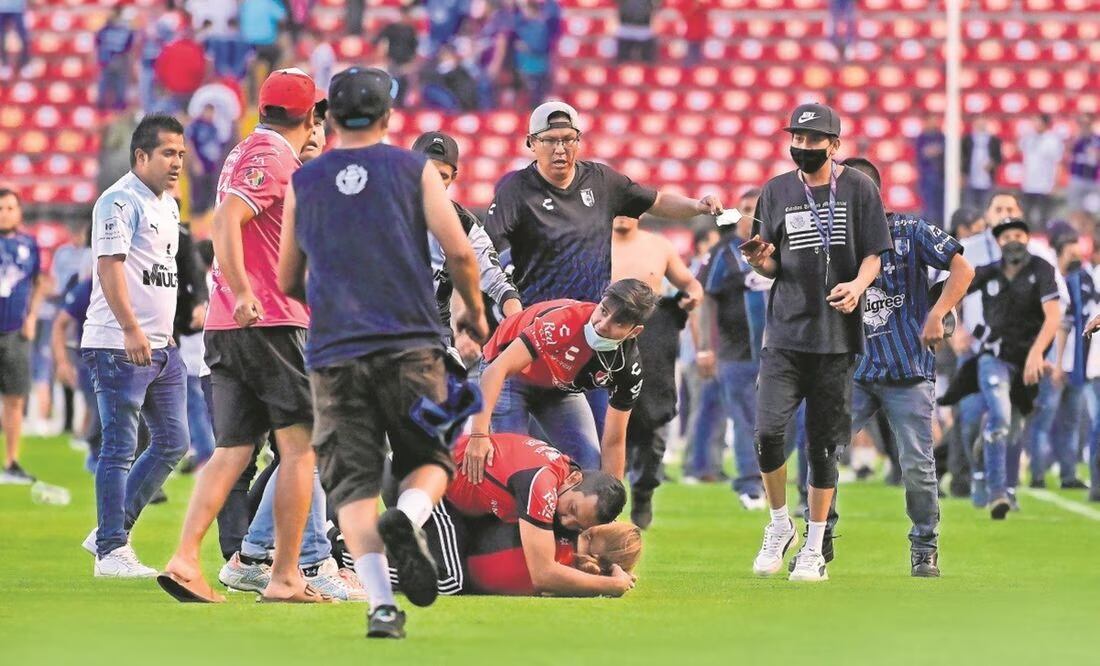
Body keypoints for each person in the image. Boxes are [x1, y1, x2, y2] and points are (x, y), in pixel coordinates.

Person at [278, 66, 488, 638]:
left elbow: (288, 276)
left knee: (352, 485)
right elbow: (461, 253)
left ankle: (381, 607)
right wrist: (472, 306)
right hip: (411, 344)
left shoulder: (306, 180)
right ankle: (411, 517)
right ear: (387, 116)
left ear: (330, 117)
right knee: (430, 459)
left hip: (333, 353)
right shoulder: (414, 170)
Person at [157, 69, 325, 605]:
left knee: (231, 449)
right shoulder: (272, 156)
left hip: (229, 328)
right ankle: (284, 576)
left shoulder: (245, 151)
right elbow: (226, 220)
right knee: (301, 449)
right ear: (308, 115)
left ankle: (185, 560)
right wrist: (245, 288)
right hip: (269, 321)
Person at [740, 103, 891, 582]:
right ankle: (780, 524)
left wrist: (859, 286)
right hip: (784, 332)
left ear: (835, 144)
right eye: (796, 139)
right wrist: (758, 261)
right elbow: (770, 264)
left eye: (812, 140)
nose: (802, 147)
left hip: (836, 338)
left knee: (823, 446)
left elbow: (874, 254)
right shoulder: (776, 190)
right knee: (767, 433)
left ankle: (814, 545)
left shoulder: (860, 189)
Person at [841, 157, 975, 577]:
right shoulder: (834, 242)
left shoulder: (911, 231)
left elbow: (962, 267)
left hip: (908, 369)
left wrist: (938, 314)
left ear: (872, 194)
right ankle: (816, 536)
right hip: (856, 370)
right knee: (822, 451)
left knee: (917, 464)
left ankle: (924, 545)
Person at [78, 114, 190, 576]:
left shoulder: (169, 204)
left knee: (174, 442)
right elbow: (110, 266)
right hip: (119, 343)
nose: (177, 162)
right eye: (168, 153)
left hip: (162, 345)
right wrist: (130, 329)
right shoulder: (119, 201)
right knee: (120, 447)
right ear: (141, 155)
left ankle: (112, 524)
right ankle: (110, 551)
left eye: (181, 154)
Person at [486, 101, 723, 308]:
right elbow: (486, 251)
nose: (560, 149)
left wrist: (696, 206)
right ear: (532, 143)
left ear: (578, 141)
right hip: (538, 316)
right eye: (550, 141)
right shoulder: (515, 191)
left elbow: (657, 201)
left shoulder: (601, 180)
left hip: (593, 319)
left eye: (568, 139)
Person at [468, 279, 657, 477]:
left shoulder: (628, 367)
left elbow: (614, 440)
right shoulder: (564, 322)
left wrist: (610, 501)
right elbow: (497, 370)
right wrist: (478, 435)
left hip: (559, 387)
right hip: (511, 375)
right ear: (600, 301)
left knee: (590, 469)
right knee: (515, 468)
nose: (602, 325)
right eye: (603, 311)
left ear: (633, 332)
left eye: (618, 323)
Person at [445, 433, 633, 596]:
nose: (566, 521)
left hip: (463, 504)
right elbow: (543, 575)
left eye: (578, 526)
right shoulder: (541, 484)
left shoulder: (564, 474)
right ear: (575, 479)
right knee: (451, 580)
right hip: (436, 485)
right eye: (572, 509)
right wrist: (612, 585)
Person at [964, 217, 1063, 519]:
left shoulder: (1042, 269)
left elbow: (1053, 317)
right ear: (998, 242)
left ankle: (1007, 483)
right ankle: (997, 495)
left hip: (1028, 362)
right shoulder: (987, 272)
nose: (1013, 240)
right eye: (1007, 236)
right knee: (1001, 418)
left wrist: (1037, 353)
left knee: (1016, 427)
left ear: (1028, 238)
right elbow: (955, 288)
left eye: (1019, 234)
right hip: (993, 357)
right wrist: (949, 322)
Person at [610, 214, 702, 527]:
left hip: (652, 338)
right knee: (604, 424)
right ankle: (605, 497)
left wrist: (692, 295)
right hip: (601, 337)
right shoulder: (591, 240)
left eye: (630, 208)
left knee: (652, 423)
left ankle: (644, 490)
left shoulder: (658, 246)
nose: (622, 214)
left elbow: (689, 283)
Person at [694, 188, 772, 511]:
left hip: (781, 351)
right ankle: (750, 484)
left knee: (784, 421)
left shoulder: (780, 247)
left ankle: (774, 479)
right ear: (737, 212)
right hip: (736, 352)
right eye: (746, 208)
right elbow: (704, 298)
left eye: (758, 207)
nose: (752, 213)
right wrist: (704, 347)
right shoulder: (724, 253)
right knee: (744, 418)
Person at [411, 131, 521, 351]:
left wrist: (519, 327)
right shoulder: (380, 210)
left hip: (432, 337)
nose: (432, 182)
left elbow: (499, 284)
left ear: (453, 178)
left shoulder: (465, 225)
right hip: (377, 330)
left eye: (441, 176)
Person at [1037, 235, 1092, 490]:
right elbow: (1060, 325)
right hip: (1055, 364)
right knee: (1044, 422)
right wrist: (1056, 363)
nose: (1076, 257)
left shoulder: (1081, 282)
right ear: (1059, 254)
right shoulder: (1054, 284)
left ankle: (1068, 475)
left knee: (1071, 423)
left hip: (1077, 364)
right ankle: (1037, 476)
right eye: (1071, 252)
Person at [0, 188, 45, 484]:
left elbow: (39, 281)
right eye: (1, 208)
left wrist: (31, 316)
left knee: (15, 398)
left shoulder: (29, 244)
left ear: (19, 212)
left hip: (15, 331)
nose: (5, 213)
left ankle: (12, 461)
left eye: (10, 208)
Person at [464, 520, 640, 596]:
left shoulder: (556, 535)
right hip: (468, 574)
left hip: (464, 562)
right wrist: (615, 580)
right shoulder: (577, 579)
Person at [1019, 114, 1064, 232]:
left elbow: (1058, 163)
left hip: (1045, 185)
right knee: (1026, 215)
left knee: (1043, 217)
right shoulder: (1028, 138)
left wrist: (1055, 183)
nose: (1035, 125)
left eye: (1037, 122)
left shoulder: (1053, 140)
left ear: (1045, 123)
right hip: (1028, 184)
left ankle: (1043, 240)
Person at [512, 0, 561, 105]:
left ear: (531, 10)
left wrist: (526, 47)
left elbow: (542, 47)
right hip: (527, 67)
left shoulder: (542, 26)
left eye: (525, 10)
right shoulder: (525, 25)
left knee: (537, 98)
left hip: (538, 67)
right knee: (529, 97)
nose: (523, 13)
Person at [185, 104, 227, 217]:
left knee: (211, 193)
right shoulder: (196, 126)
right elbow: (190, 144)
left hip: (211, 166)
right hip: (200, 164)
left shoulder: (213, 127)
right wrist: (195, 162)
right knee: (199, 194)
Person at [374, 3, 419, 106]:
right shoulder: (391, 28)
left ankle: (401, 105)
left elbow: (414, 47)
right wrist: (383, 54)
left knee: (404, 84)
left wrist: (411, 63)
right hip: (392, 61)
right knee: (393, 83)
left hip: (405, 63)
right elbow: (380, 41)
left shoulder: (411, 30)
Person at [95, 8, 135, 111]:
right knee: (117, 82)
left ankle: (104, 103)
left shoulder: (104, 30)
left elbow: (98, 42)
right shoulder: (125, 30)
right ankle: (116, 103)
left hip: (110, 58)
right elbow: (129, 46)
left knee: (110, 82)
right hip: (117, 58)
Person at [961, 117, 1003, 212]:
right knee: (970, 206)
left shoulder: (993, 140)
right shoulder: (967, 140)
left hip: (987, 179)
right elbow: (962, 157)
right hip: (970, 178)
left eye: (982, 123)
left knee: (986, 206)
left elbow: (999, 158)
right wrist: (963, 174)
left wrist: (992, 163)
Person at [914, 114, 946, 228]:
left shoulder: (941, 137)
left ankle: (940, 227)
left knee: (940, 204)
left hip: (941, 176)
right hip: (927, 176)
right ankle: (926, 227)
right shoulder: (922, 137)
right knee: (928, 204)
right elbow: (922, 154)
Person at [1067, 114, 1100, 216]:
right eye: (1082, 123)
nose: (1085, 126)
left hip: (1092, 179)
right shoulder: (1075, 139)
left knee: (1091, 212)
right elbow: (1067, 153)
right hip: (1077, 178)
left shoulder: (1097, 139)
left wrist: (1095, 153)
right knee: (1075, 210)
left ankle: (1089, 231)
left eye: (1087, 123)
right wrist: (1077, 138)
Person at [0, 0, 30, 76]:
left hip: (17, 7)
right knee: (1, 36)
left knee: (24, 36)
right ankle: (4, 63)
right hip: (2, 8)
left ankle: (24, 63)